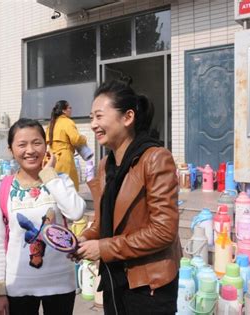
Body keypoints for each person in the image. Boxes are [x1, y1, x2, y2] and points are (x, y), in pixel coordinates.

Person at [75, 79, 181, 315]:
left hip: (149, 285)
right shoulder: (105, 166)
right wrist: (83, 239)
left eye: (99, 116)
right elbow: (104, 223)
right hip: (115, 280)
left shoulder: (155, 158)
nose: (93, 124)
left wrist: (103, 248)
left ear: (128, 117)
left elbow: (164, 231)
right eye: (91, 117)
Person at [0, 118, 86, 315]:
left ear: (46, 146)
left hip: (60, 283)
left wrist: (49, 174)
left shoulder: (60, 180)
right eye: (22, 144)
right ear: (10, 149)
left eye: (36, 143)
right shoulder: (3, 189)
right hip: (19, 285)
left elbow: (76, 212)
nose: (30, 150)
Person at [46, 100, 87, 191]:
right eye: (69, 107)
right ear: (64, 110)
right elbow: (75, 139)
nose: (71, 109)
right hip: (64, 158)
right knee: (68, 187)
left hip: (51, 158)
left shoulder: (51, 124)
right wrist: (84, 139)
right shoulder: (67, 122)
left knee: (55, 187)